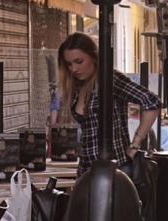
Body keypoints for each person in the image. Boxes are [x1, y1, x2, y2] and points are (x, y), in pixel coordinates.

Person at [57, 32, 160, 177]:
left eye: (79, 61)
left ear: (93, 57)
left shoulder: (110, 79)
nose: (73, 69)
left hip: (114, 169)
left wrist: (136, 143)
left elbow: (152, 102)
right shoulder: (77, 85)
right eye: (69, 64)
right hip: (87, 169)